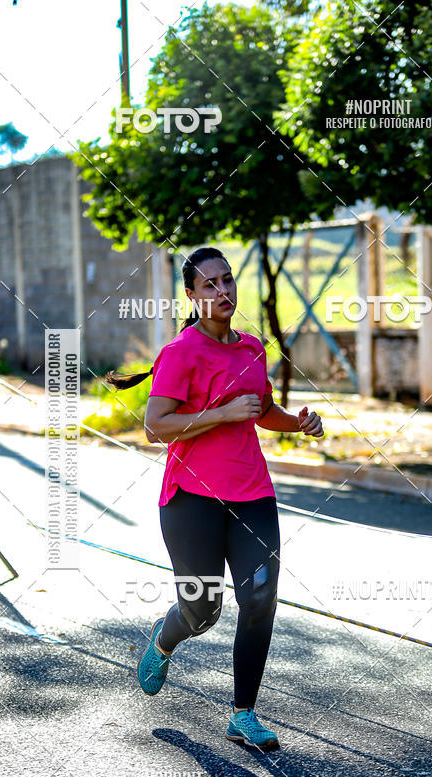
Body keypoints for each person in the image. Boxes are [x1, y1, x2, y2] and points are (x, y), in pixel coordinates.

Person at [106, 246, 324, 751]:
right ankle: (165, 636)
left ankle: (243, 714)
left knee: (260, 598)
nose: (223, 291)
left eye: (227, 280)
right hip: (191, 500)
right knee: (203, 611)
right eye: (210, 285)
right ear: (192, 295)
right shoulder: (182, 352)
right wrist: (221, 414)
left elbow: (262, 408)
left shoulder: (252, 349)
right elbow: (155, 426)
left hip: (252, 493)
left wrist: (299, 423)